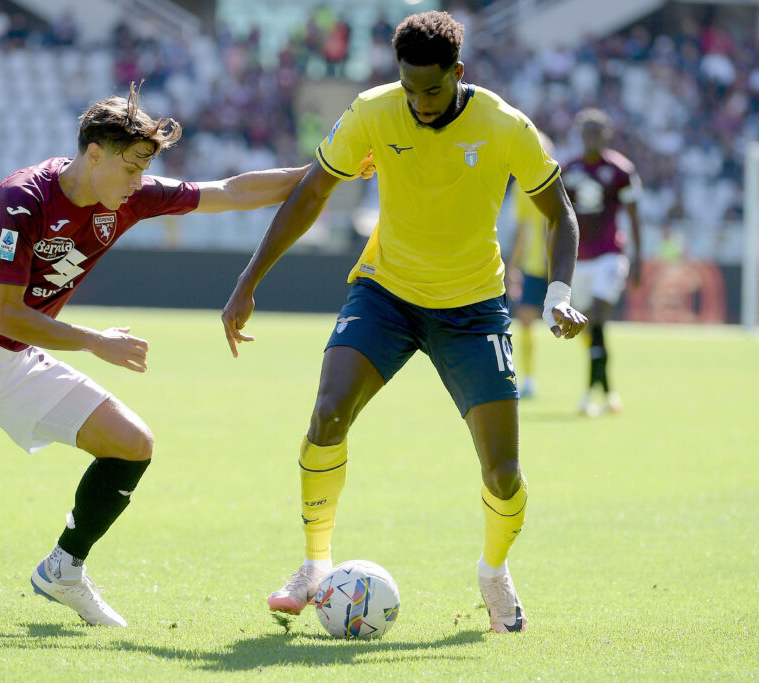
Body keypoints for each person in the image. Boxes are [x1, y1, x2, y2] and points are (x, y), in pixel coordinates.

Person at [0, 84, 371, 634]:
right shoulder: (21, 200)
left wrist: (329, 170)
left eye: (145, 169)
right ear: (95, 154)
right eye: (132, 167)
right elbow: (2, 316)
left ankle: (63, 569)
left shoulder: (129, 198)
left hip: (17, 355)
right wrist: (96, 341)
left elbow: (232, 191)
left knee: (132, 444)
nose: (140, 182)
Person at [221, 11, 587, 634]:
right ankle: (314, 567)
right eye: (409, 88)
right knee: (328, 413)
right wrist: (247, 282)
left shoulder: (503, 125)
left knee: (503, 474)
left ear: (458, 73)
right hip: (384, 294)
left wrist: (556, 294)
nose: (418, 103)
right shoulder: (371, 110)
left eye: (433, 90)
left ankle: (494, 573)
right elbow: (311, 192)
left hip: (473, 310)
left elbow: (560, 213)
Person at [560, 108, 642, 417]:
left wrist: (638, 260)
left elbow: (635, 218)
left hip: (610, 254)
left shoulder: (621, 170)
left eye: (597, 132)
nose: (591, 137)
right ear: (579, 135)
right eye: (586, 131)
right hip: (580, 260)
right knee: (593, 328)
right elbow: (558, 217)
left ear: (606, 135)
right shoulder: (568, 170)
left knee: (595, 315)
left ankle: (587, 397)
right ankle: (608, 392)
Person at [505, 131, 556, 399]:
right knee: (525, 319)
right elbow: (522, 230)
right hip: (534, 265)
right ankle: (529, 379)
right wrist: (513, 267)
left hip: (560, 264)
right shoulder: (521, 187)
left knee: (583, 323)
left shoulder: (561, 180)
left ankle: (594, 378)